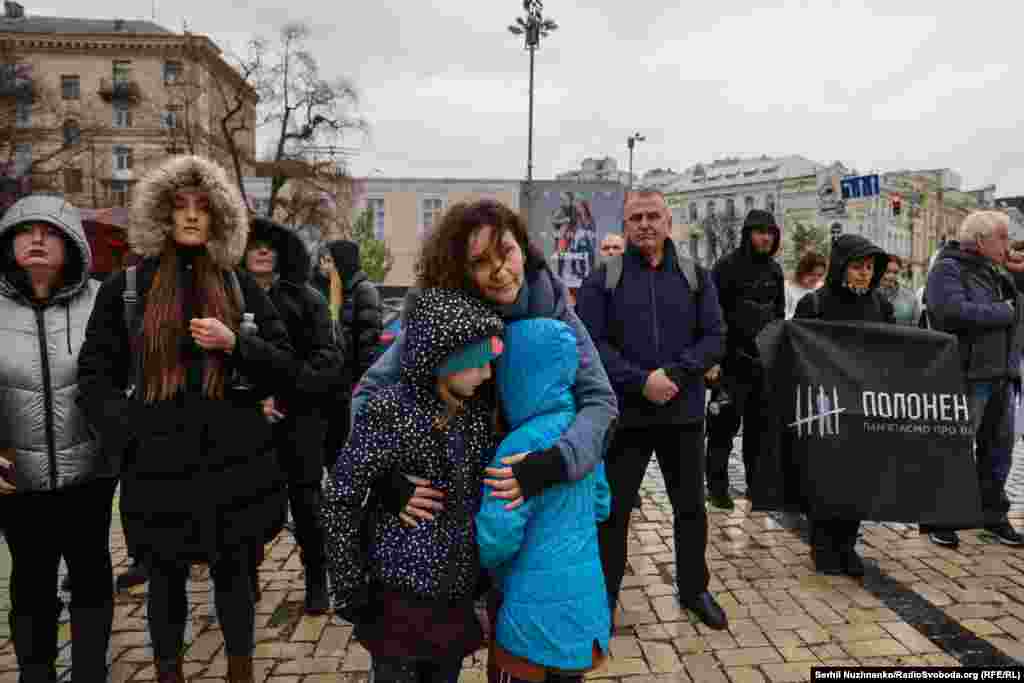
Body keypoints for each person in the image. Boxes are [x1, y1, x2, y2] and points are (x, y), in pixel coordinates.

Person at [352, 199, 617, 683]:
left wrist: (555, 462)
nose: (499, 271)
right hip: (446, 515)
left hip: (523, 502)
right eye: (480, 261)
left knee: (528, 649)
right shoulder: (441, 314)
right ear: (459, 268)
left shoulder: (553, 304)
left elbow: (600, 403)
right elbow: (368, 394)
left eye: (507, 251)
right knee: (423, 655)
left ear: (523, 246)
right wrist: (386, 478)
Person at [77, 155, 296, 683]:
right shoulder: (127, 288)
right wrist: (127, 432)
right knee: (164, 582)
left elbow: (286, 370)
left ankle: (240, 671)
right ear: (161, 214)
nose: (192, 216)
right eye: (180, 205)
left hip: (235, 467)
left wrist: (238, 344)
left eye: (203, 206)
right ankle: (169, 671)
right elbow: (93, 376)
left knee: (237, 580)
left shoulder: (241, 286)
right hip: (158, 468)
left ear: (220, 216)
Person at [322, 287, 504, 683]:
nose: (488, 374)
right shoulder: (390, 410)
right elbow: (341, 495)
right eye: (478, 364)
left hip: (452, 599)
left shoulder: (472, 418)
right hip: (397, 599)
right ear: (445, 360)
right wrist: (349, 587)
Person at [576, 189, 727, 630]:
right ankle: (603, 595)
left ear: (668, 222)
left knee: (691, 508)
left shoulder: (696, 276)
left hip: (683, 416)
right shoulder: (604, 280)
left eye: (652, 216)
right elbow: (591, 344)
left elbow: (715, 337)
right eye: (636, 217)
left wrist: (676, 375)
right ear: (625, 225)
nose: (644, 224)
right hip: (627, 416)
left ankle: (695, 588)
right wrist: (641, 380)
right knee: (614, 512)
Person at [0, 195, 117, 681]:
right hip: (16, 478)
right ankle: (35, 668)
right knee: (29, 579)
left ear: (72, 245)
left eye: (50, 231)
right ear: (9, 245)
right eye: (25, 231)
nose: (38, 239)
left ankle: (90, 668)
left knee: (90, 573)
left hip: (90, 474)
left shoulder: (104, 301)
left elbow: (124, 376)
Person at [477, 317, 610, 683]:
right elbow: (602, 503)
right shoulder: (582, 435)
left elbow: (496, 538)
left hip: (528, 623)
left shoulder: (518, 445)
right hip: (583, 614)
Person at [243, 217, 347, 613]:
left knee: (308, 506)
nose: (263, 250)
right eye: (254, 244)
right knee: (248, 503)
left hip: (300, 421)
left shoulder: (308, 299)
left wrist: (285, 395)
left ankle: (316, 579)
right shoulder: (228, 296)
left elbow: (328, 360)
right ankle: (246, 575)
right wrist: (255, 399)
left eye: (270, 245)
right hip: (245, 422)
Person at [921, 211, 1024, 548]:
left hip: (1001, 376)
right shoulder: (947, 268)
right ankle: (939, 518)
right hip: (967, 375)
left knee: (999, 452)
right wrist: (1004, 311)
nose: (1007, 244)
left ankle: (992, 516)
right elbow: (950, 312)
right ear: (981, 240)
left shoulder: (996, 271)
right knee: (954, 448)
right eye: (1002, 237)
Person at [793, 233, 894, 575]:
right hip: (824, 405)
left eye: (869, 267)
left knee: (858, 479)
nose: (864, 273)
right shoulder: (815, 304)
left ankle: (847, 544)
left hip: (864, 405)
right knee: (825, 476)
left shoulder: (882, 306)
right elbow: (797, 353)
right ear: (841, 267)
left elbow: (894, 351)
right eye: (856, 267)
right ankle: (823, 544)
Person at [704, 209, 785, 510]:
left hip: (762, 364)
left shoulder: (775, 271)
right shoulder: (725, 267)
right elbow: (711, 317)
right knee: (722, 429)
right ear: (748, 234)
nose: (765, 237)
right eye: (760, 231)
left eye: (770, 232)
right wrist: (713, 360)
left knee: (759, 431)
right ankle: (717, 489)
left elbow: (778, 317)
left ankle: (757, 486)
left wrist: (776, 357)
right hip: (729, 363)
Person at [314, 239, 382, 459]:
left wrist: (360, 384)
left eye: (329, 261)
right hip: (334, 384)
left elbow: (368, 343)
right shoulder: (334, 288)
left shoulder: (364, 291)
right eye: (323, 261)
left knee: (344, 444)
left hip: (350, 383)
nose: (324, 267)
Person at [879, 255, 922, 326]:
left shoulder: (910, 298)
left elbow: (916, 325)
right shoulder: (869, 295)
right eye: (887, 271)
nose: (891, 276)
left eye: (895, 272)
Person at [784, 251, 826, 320]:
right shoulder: (787, 289)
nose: (815, 279)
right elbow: (784, 318)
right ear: (802, 271)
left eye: (819, 275)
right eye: (811, 274)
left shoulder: (821, 287)